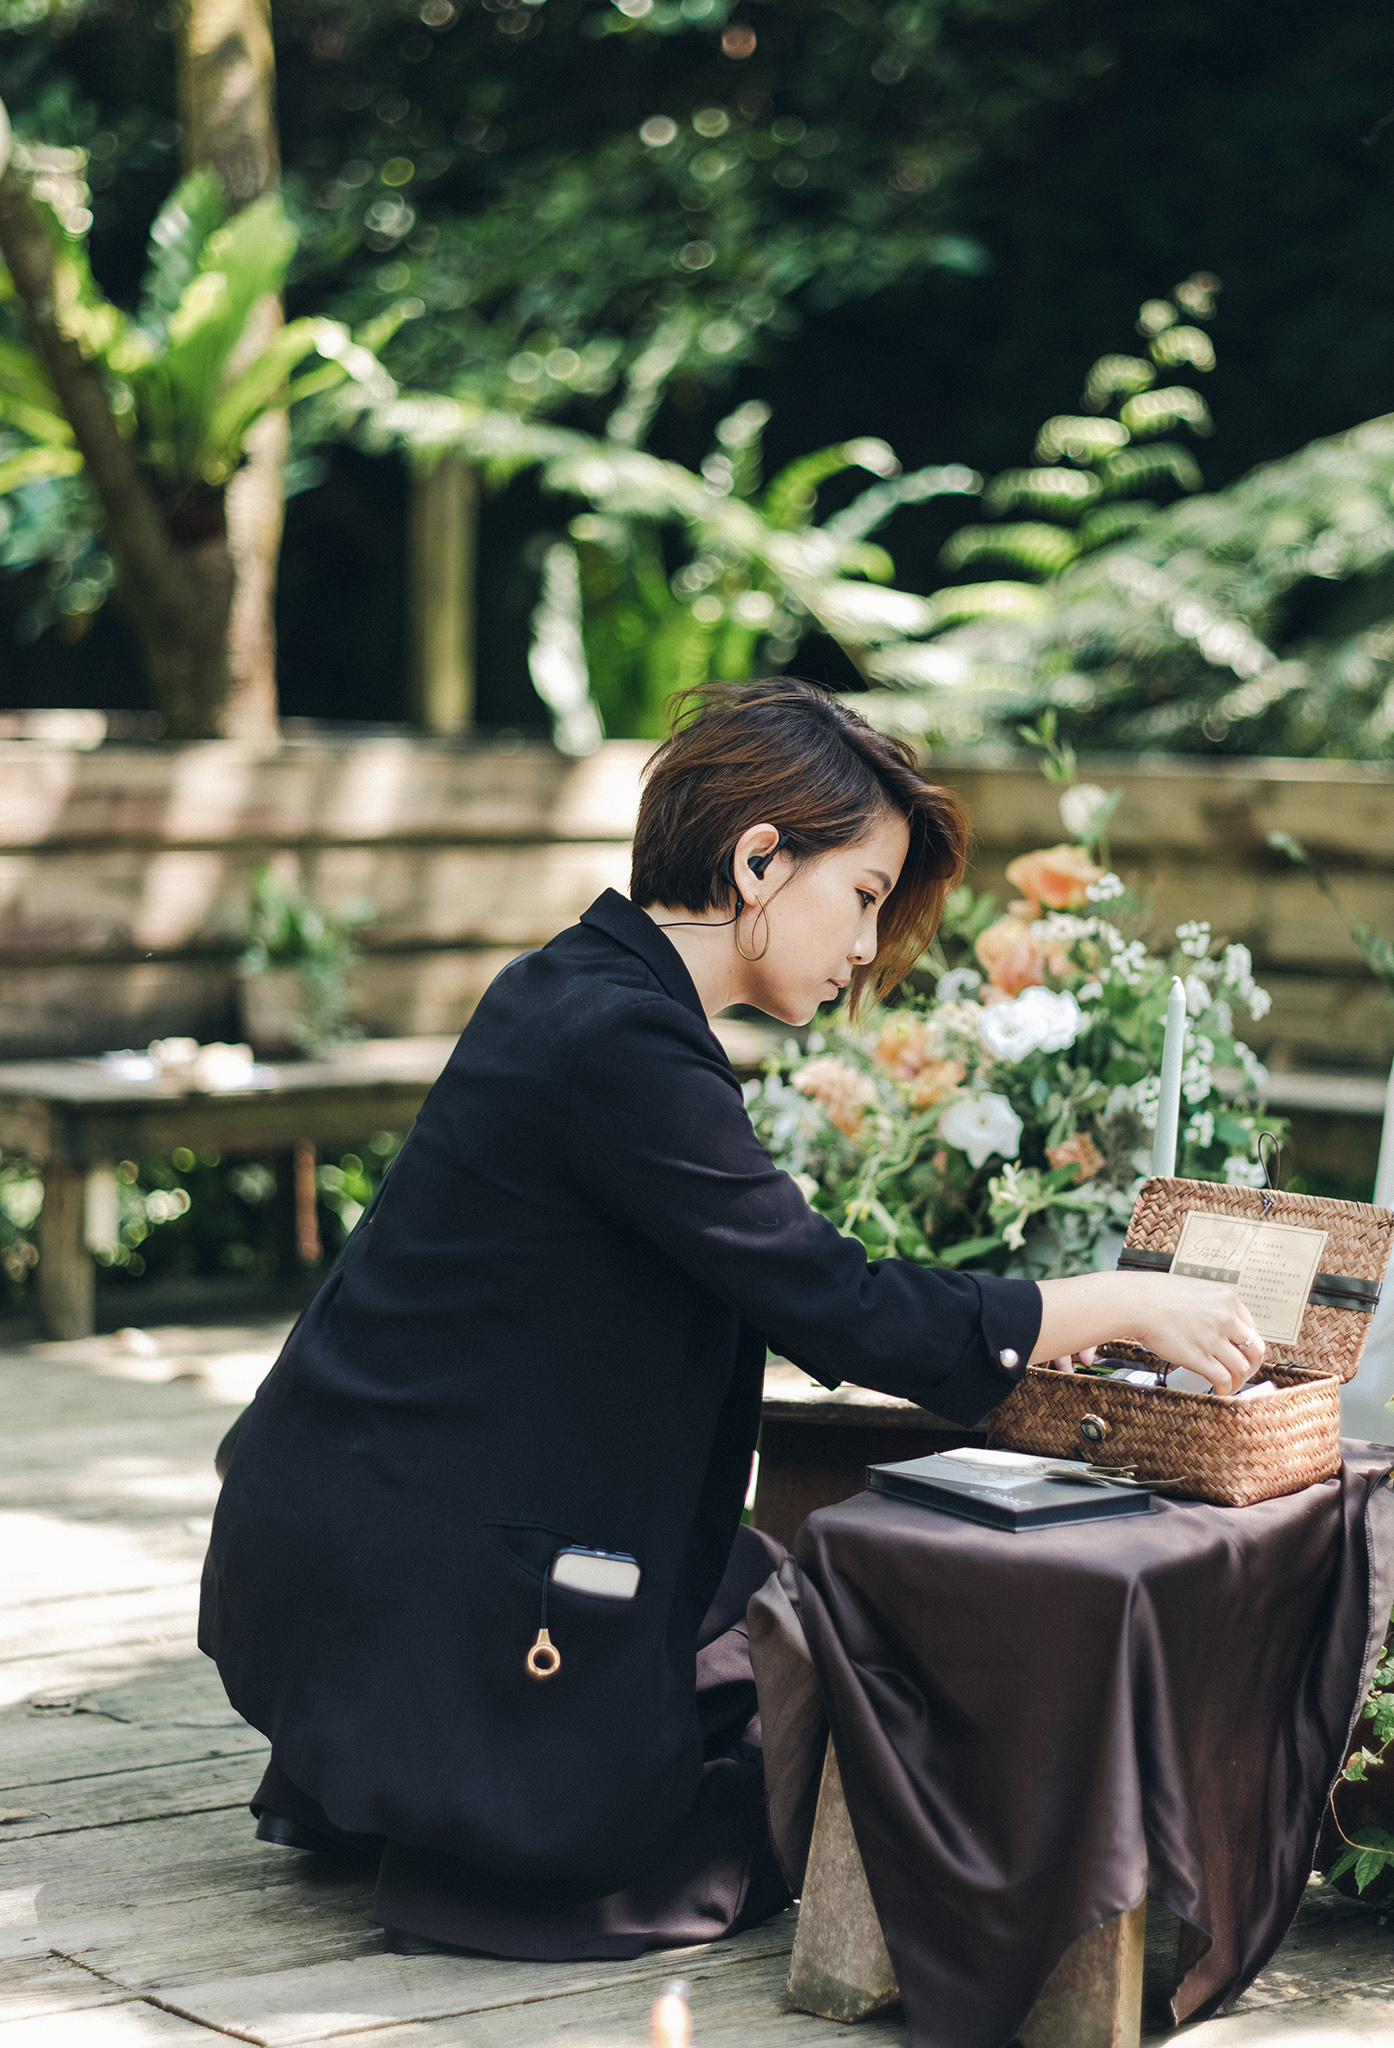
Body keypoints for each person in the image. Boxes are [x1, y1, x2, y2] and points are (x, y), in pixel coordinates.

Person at [200, 678, 1264, 1960]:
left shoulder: (585, 992)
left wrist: (1045, 1318)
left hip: (330, 1532)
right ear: (759, 857)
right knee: (747, 1804)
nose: (868, 948)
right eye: (864, 894)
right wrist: (1114, 1300)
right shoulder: (615, 1038)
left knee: (774, 1620)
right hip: (389, 1570)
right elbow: (835, 1303)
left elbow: (783, 1273)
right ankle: (457, 1769)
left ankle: (427, 1754)